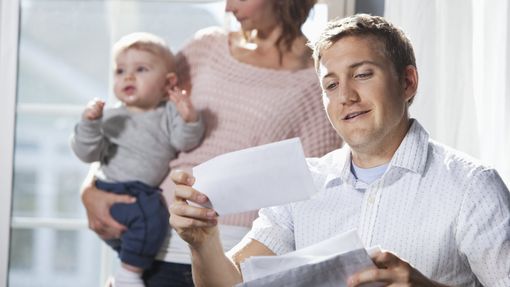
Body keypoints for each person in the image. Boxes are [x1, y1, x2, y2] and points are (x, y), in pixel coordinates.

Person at [169, 14, 510, 287]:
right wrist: (203, 243)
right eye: (331, 85)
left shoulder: (472, 187)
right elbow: (233, 284)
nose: (345, 96)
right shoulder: (297, 183)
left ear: (407, 82)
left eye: (362, 74)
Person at [80, 1, 342, 286]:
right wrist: (91, 186)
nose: (228, 8)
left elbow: (317, 185)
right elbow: (138, 118)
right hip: (154, 247)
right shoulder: (205, 49)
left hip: (237, 260)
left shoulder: (316, 78)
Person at [71, 32, 204, 287]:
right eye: (120, 71)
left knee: (151, 223)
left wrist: (190, 119)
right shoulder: (111, 117)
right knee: (151, 218)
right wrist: (88, 124)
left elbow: (184, 142)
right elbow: (87, 153)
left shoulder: (169, 114)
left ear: (168, 82)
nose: (128, 77)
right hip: (112, 188)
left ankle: (128, 268)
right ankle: (129, 276)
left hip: (142, 192)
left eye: (140, 69)